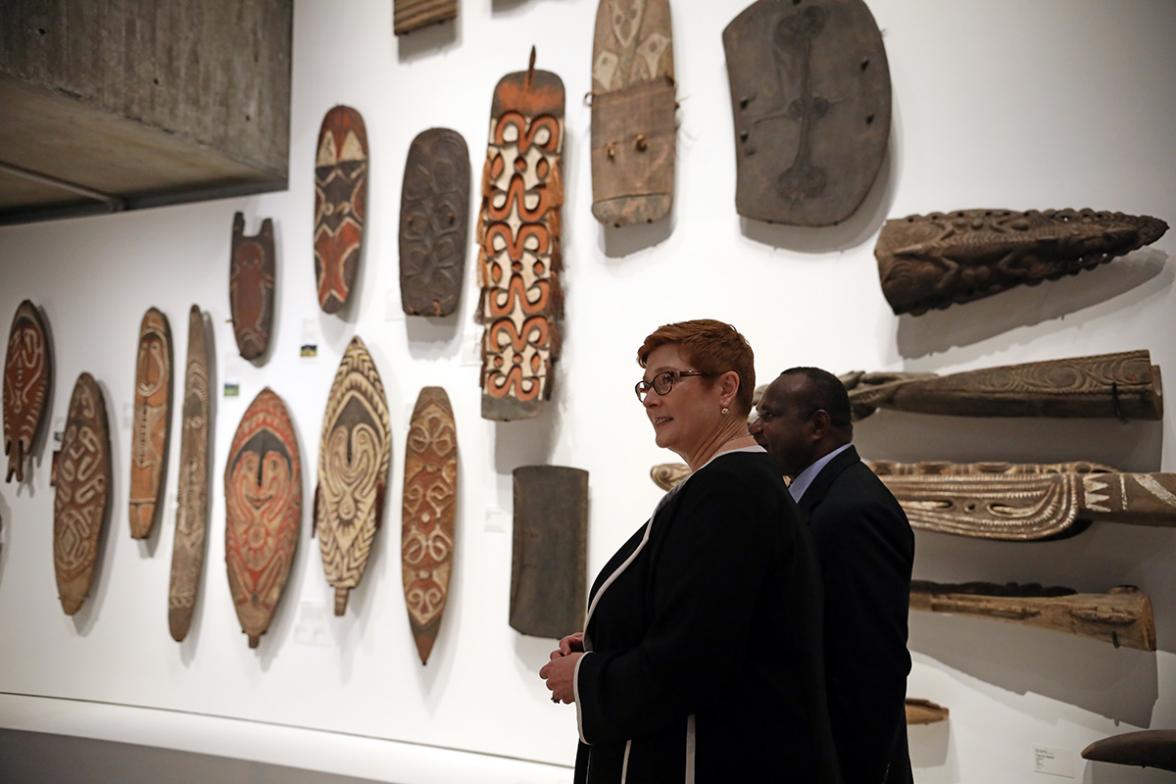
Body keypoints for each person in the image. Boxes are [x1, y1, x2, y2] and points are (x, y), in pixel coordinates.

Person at [538, 320, 840, 784]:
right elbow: (703, 616)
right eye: (646, 386)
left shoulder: (730, 492)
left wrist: (586, 676)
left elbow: (695, 661)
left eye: (667, 380)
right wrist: (603, 641)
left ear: (726, 388)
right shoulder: (724, 484)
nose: (652, 398)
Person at [750, 367, 915, 784]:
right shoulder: (814, 499)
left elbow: (871, 668)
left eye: (770, 415)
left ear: (817, 424)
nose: (756, 427)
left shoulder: (853, 511)